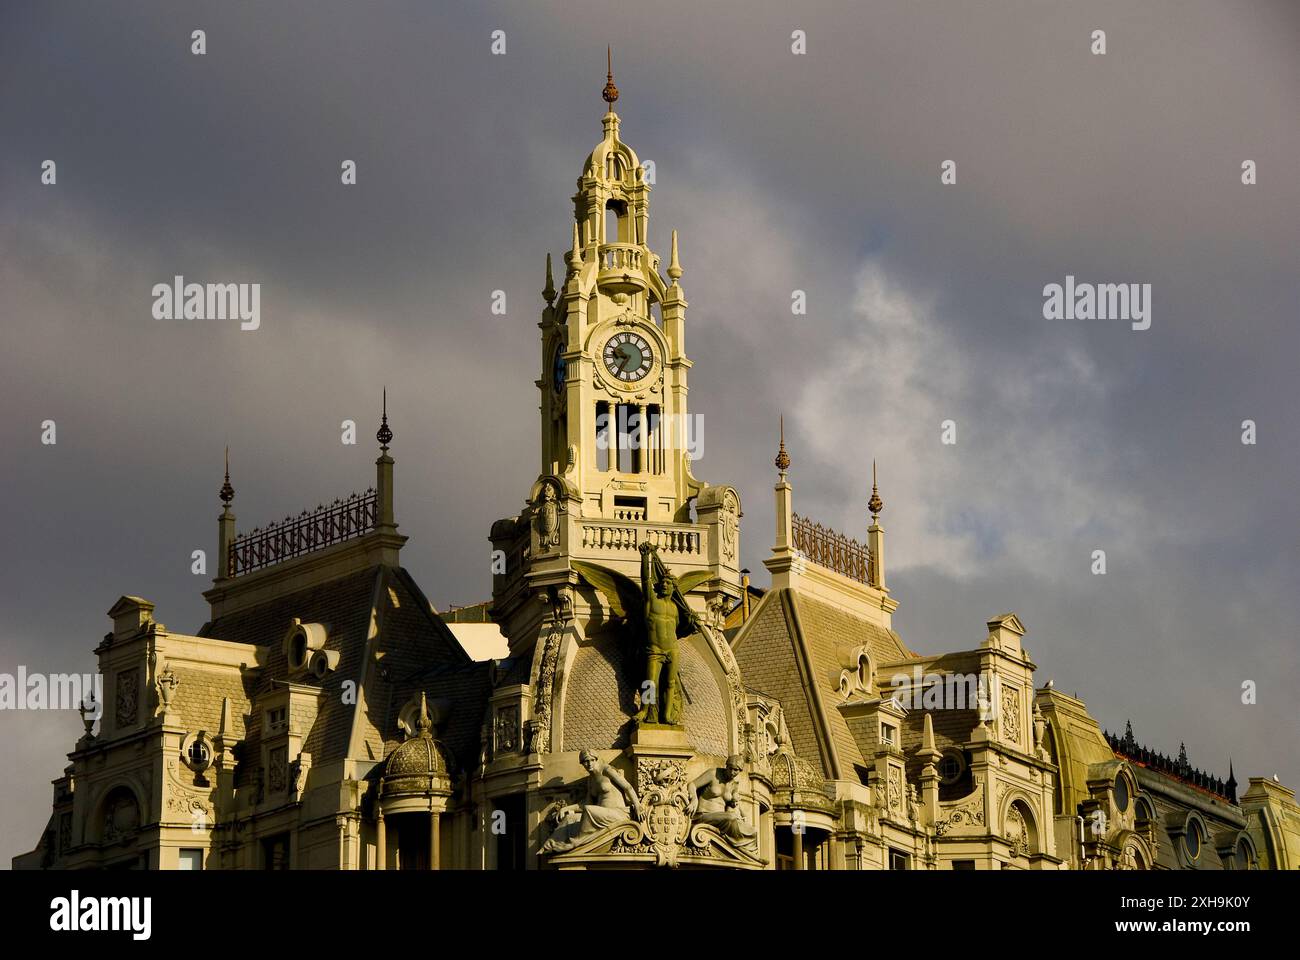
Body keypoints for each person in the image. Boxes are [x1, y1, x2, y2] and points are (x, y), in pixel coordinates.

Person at [542, 750, 642, 853]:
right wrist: (567, 808)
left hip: (617, 813)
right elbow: (586, 803)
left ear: (596, 759)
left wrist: (638, 806)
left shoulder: (607, 770)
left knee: (589, 810)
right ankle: (547, 847)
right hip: (599, 815)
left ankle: (574, 843)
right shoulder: (591, 780)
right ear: (582, 763)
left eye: (592, 760)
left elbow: (627, 787)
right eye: (585, 761)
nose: (589, 764)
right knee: (569, 818)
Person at [691, 754, 757, 850]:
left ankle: (743, 852)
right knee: (731, 817)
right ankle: (737, 846)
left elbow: (731, 805)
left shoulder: (734, 785)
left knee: (753, 832)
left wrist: (733, 802)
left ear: (740, 771)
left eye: (736, 770)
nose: (732, 772)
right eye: (730, 768)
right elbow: (692, 785)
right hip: (704, 815)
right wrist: (693, 799)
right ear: (726, 766)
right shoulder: (714, 774)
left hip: (723, 819)